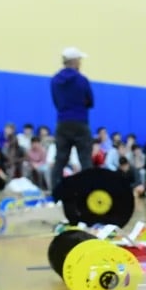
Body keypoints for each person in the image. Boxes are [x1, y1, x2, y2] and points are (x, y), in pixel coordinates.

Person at [50, 47, 94, 190]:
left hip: (62, 122)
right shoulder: (82, 80)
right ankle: (89, 190)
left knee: (60, 160)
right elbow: (90, 101)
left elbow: (56, 102)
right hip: (80, 122)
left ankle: (56, 191)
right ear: (74, 61)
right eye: (79, 60)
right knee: (85, 159)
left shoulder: (54, 80)